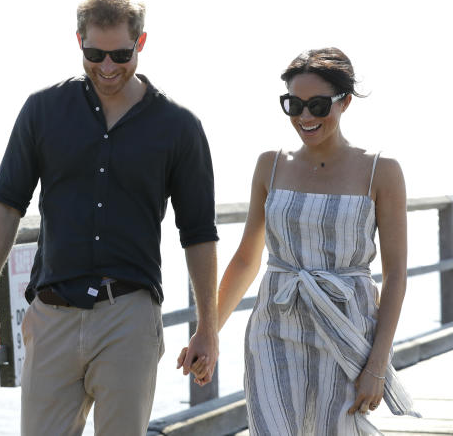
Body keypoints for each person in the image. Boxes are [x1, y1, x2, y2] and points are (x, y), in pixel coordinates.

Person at [0, 0, 219, 436]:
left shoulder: (179, 127)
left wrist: (207, 327)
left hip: (129, 315)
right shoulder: (42, 111)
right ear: (79, 41)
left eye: (120, 54)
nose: (107, 67)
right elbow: (6, 203)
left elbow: (198, 232)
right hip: (51, 316)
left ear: (140, 44)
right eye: (95, 54)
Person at [180, 47, 420, 434]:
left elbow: (395, 275)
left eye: (318, 105)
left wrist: (378, 364)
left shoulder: (381, 171)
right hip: (274, 330)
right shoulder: (270, 165)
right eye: (294, 104)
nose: (305, 117)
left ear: (344, 103)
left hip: (347, 329)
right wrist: (208, 331)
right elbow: (246, 259)